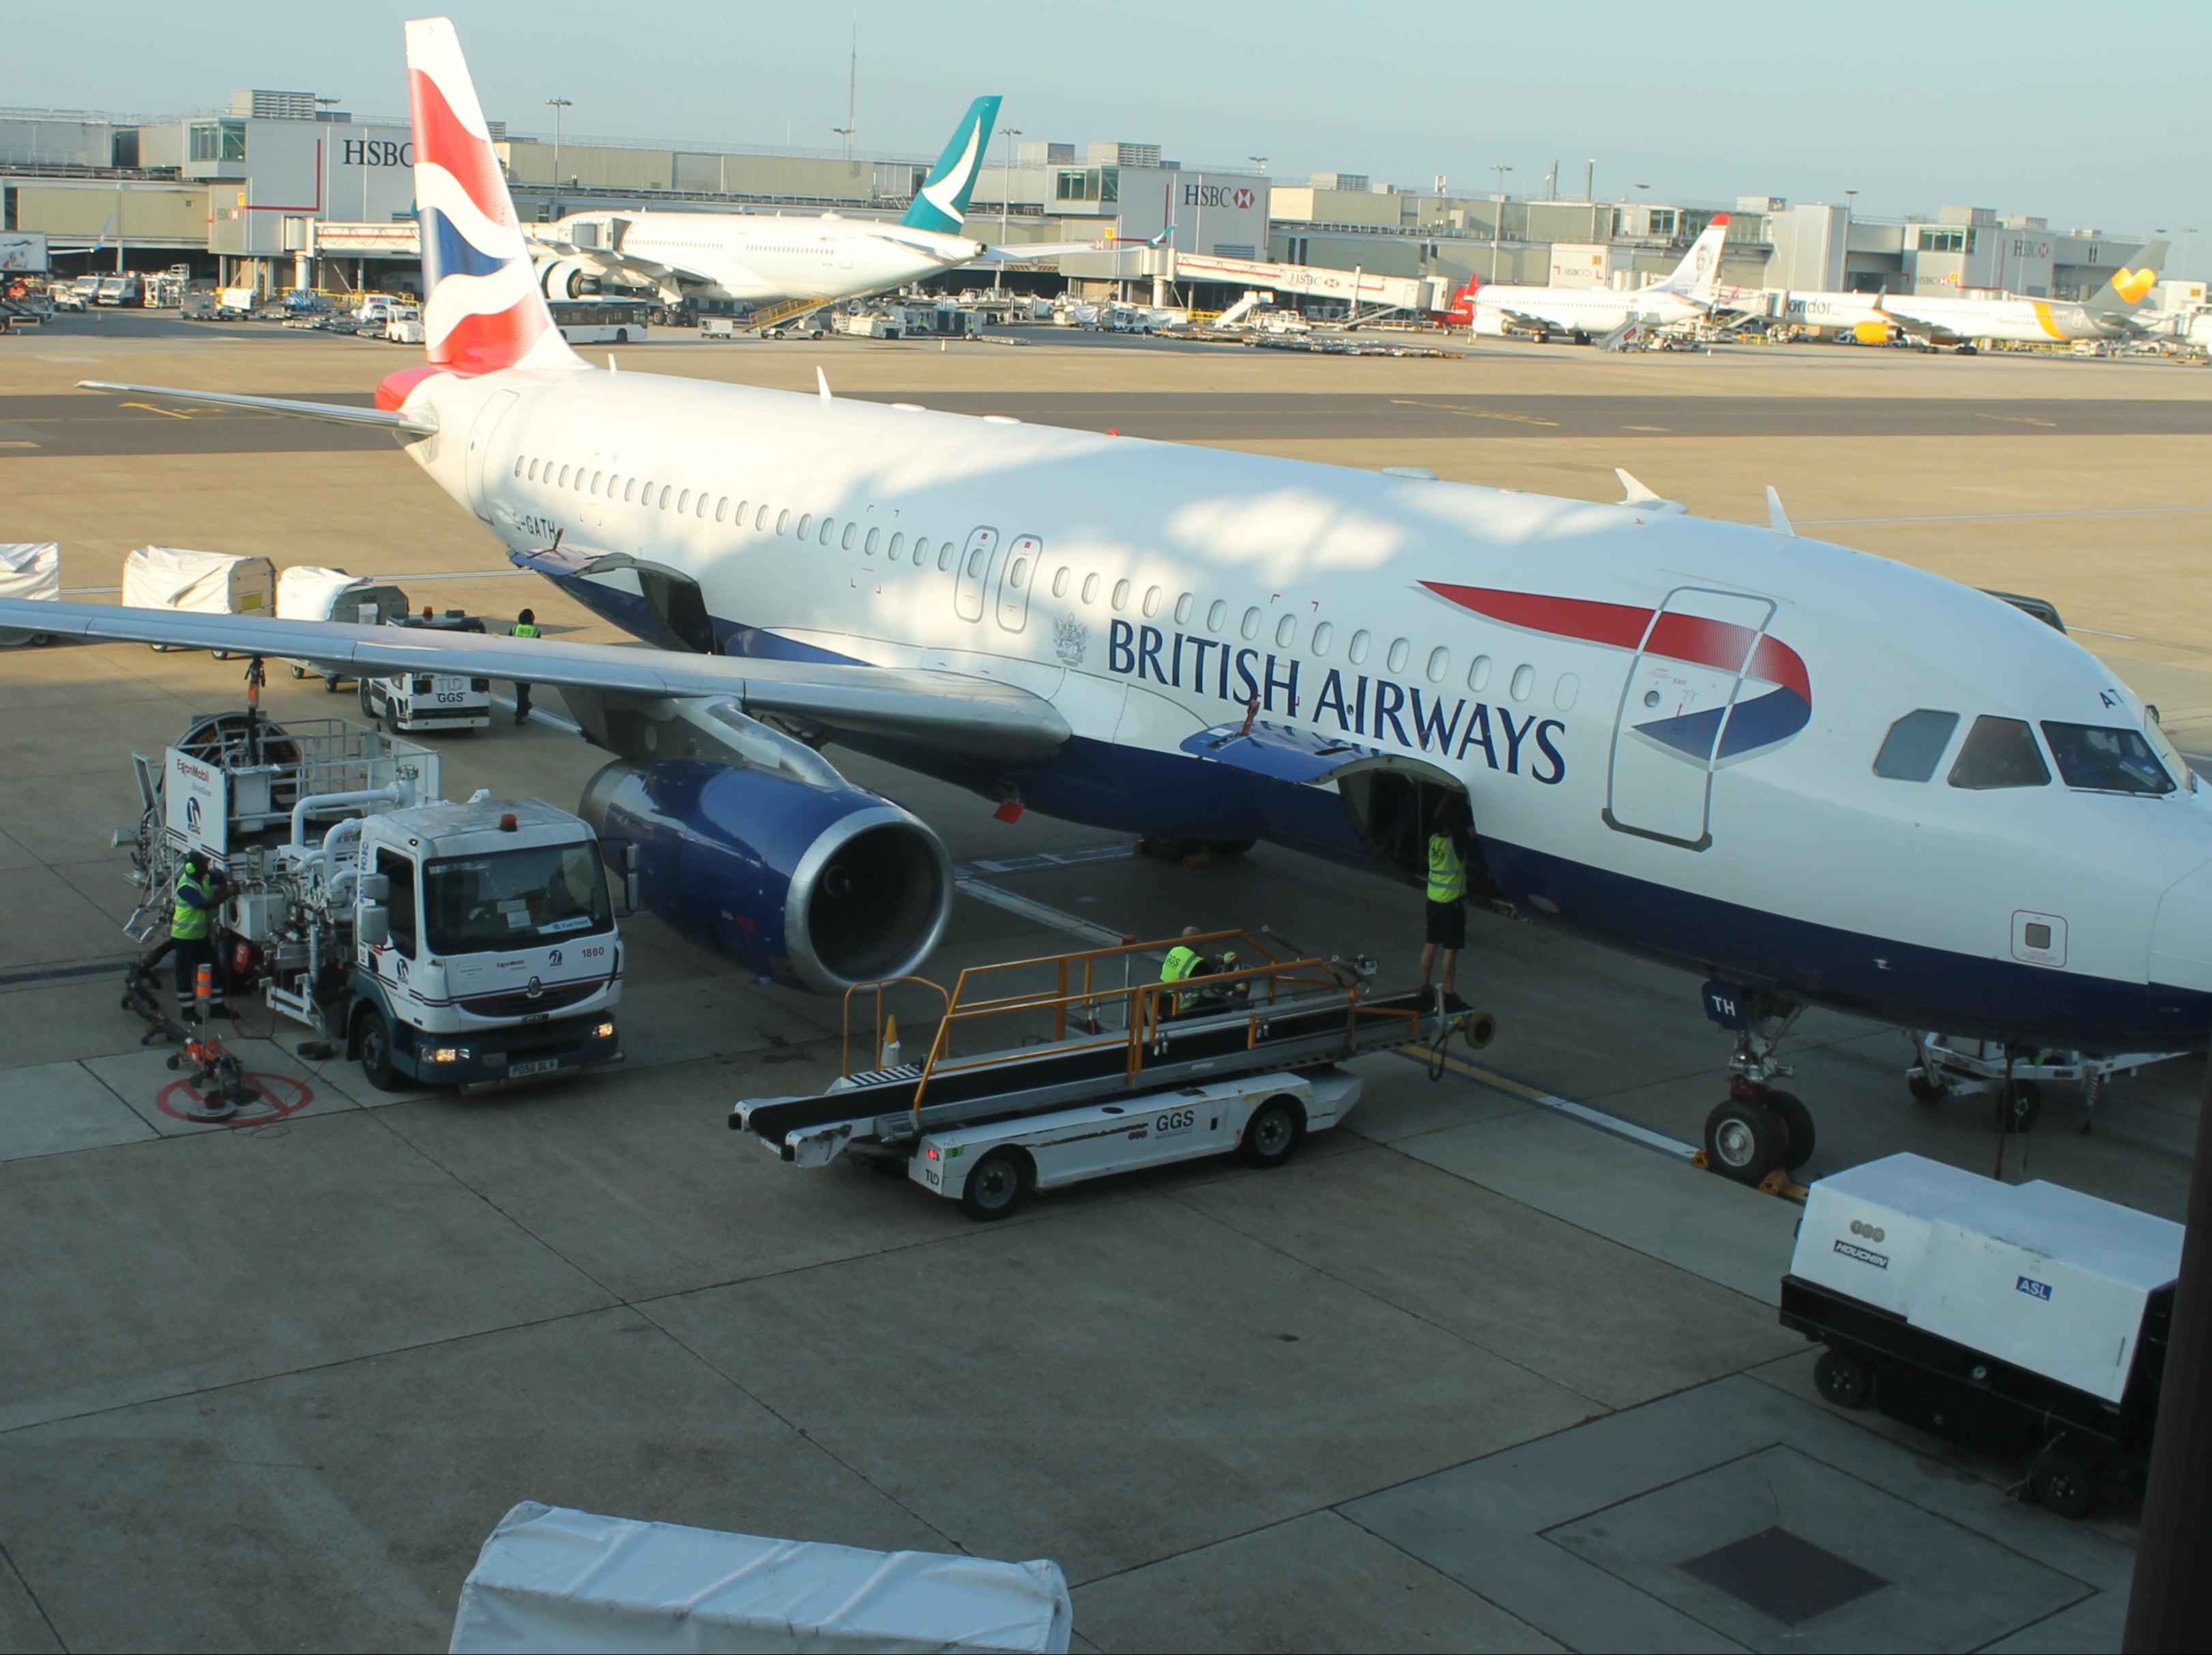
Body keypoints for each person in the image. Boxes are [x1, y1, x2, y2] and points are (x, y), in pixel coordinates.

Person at [1419, 797, 1475, 1006]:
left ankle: (1424, 986)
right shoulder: (1457, 841)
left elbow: (1435, 817)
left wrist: (1447, 796)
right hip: (1451, 905)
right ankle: (1449, 993)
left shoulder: (1434, 839)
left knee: (1430, 944)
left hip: (1432, 901)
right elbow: (1476, 831)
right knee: (1450, 950)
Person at [171, 851, 231, 1021]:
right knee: (184, 974)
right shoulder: (186, 887)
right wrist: (227, 895)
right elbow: (204, 905)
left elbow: (219, 875)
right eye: (204, 864)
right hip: (185, 937)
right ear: (192, 867)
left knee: (214, 969)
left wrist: (223, 886)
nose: (207, 867)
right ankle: (188, 1010)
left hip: (201, 936)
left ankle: (217, 1007)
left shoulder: (204, 876)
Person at [1159, 926, 1206, 1018]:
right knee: (1222, 1004)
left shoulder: (1175, 950)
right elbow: (1217, 981)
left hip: (1165, 999)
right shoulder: (1198, 963)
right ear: (1197, 943)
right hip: (1185, 1006)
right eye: (1201, 940)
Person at [511, 608, 540, 724]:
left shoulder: (514, 629)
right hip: (527, 664)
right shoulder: (535, 631)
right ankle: (521, 713)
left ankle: (524, 707)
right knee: (523, 690)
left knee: (521, 689)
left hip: (515, 663)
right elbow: (538, 648)